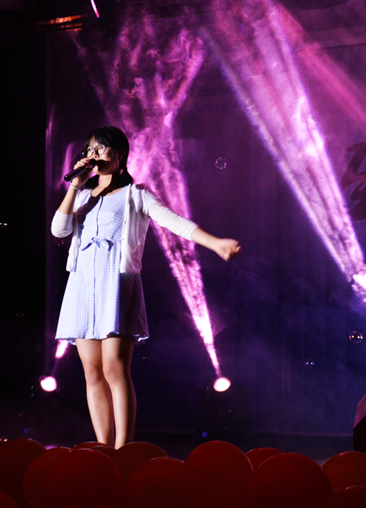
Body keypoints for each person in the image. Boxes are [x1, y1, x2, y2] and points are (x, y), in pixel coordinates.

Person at [52, 126, 240, 449]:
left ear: (119, 155)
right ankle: (103, 448)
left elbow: (174, 222)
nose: (94, 155)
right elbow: (59, 230)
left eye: (101, 149)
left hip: (116, 283)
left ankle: (123, 448)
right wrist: (75, 187)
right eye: (90, 150)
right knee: (91, 371)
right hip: (82, 285)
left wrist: (215, 243)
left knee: (114, 367)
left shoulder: (136, 194)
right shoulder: (81, 196)